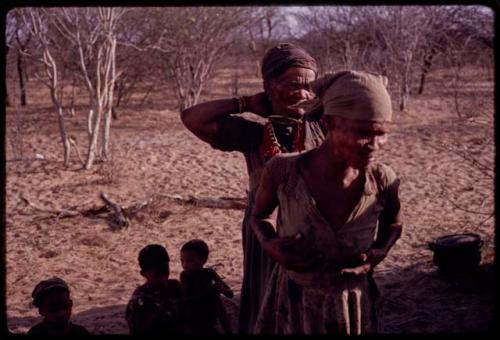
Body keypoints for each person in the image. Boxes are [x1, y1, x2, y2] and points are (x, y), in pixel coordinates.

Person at [181, 43, 325, 333]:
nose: (303, 93)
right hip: (266, 228)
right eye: (293, 84)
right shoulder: (253, 133)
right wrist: (245, 103)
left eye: (310, 86)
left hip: (313, 227)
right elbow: (192, 118)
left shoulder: (321, 124)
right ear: (269, 86)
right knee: (267, 298)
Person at [250, 70, 403, 334]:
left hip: (352, 303)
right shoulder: (283, 172)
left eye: (382, 134)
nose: (375, 145)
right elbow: (259, 216)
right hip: (295, 300)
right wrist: (270, 244)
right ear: (329, 122)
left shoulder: (383, 180)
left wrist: (377, 254)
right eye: (363, 132)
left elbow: (394, 223)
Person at [125, 244, 184, 334]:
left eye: (164, 269)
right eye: (157, 273)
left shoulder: (175, 287)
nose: (162, 276)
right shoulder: (140, 300)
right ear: (143, 273)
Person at [179, 239, 234, 334]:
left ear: (203, 260)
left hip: (211, 315)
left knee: (217, 299)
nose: (185, 265)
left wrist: (220, 289)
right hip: (195, 317)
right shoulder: (185, 276)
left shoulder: (209, 273)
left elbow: (230, 293)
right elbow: (189, 300)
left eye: (189, 261)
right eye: (182, 261)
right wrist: (210, 291)